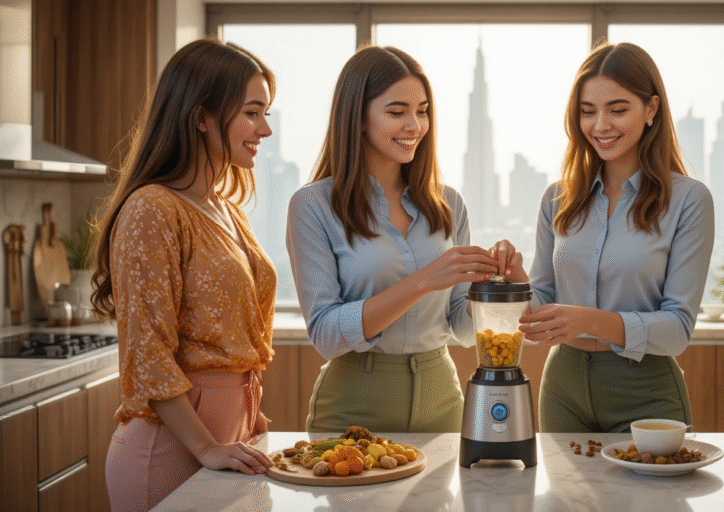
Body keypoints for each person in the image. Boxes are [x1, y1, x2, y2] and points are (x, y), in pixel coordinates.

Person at [92, 38, 277, 511]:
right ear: (201, 117)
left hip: (226, 442)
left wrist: (247, 417)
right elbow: (148, 355)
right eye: (252, 113)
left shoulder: (228, 211)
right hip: (170, 453)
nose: (265, 129)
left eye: (266, 114)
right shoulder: (152, 208)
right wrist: (208, 446)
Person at [496, 42, 714, 433]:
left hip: (644, 389)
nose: (600, 126)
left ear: (651, 110)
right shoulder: (557, 199)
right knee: (564, 497)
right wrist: (516, 281)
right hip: (562, 386)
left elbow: (678, 328)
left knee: (646, 496)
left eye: (618, 110)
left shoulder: (688, 201)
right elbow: (540, 308)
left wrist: (590, 320)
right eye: (588, 111)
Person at [286, 45, 506, 433]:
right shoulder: (313, 205)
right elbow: (325, 334)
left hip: (442, 396)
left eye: (422, 111)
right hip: (354, 403)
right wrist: (422, 281)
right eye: (397, 111)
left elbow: (462, 327)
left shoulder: (449, 203)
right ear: (357, 118)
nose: (415, 125)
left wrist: (498, 287)